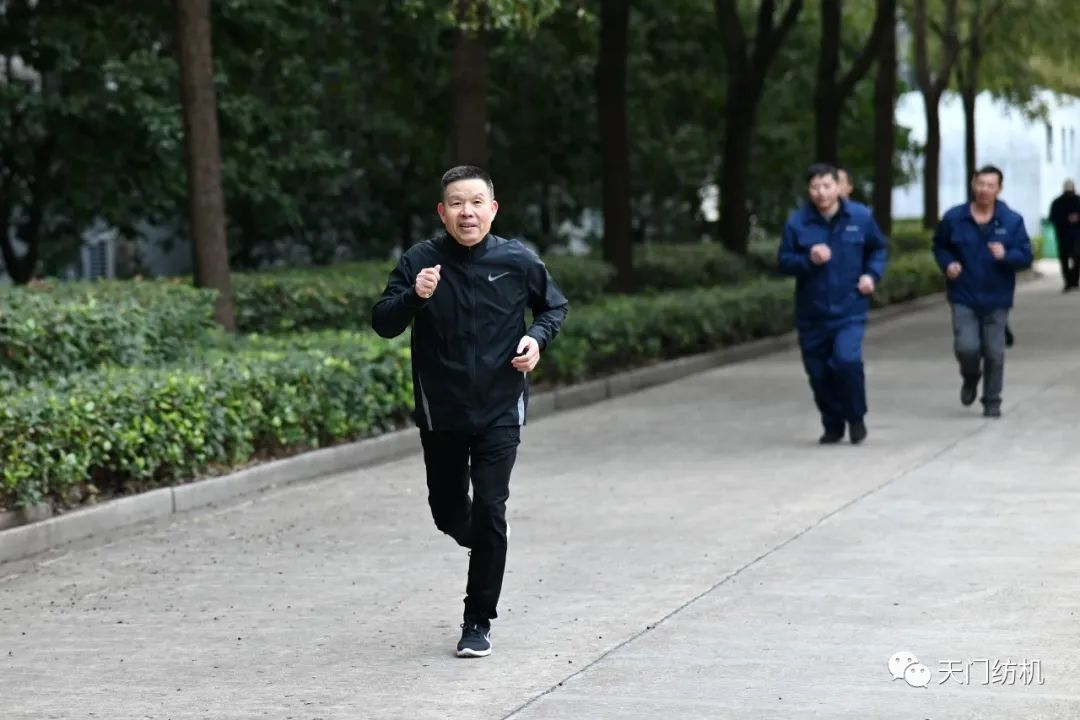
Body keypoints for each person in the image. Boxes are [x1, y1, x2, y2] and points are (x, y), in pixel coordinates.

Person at [371, 165, 569, 658]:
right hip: (441, 410)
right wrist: (415, 296)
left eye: (477, 202)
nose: (467, 212)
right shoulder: (421, 261)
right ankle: (485, 539)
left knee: (491, 509)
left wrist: (536, 339)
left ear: (492, 209)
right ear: (442, 212)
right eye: (457, 203)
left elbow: (553, 308)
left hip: (501, 407)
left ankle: (477, 620)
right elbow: (383, 322)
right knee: (447, 513)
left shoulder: (517, 259)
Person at [778, 163, 888, 445]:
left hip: (850, 308)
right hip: (812, 312)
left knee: (846, 361)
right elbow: (784, 261)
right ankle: (833, 423)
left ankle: (856, 417)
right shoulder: (798, 222)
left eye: (827, 186)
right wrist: (808, 259)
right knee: (818, 373)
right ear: (808, 190)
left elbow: (878, 248)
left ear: (839, 187)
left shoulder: (860, 216)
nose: (821, 193)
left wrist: (871, 275)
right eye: (815, 187)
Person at [932, 165, 1033, 418]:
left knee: (994, 352)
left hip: (997, 297)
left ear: (999, 189)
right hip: (963, 294)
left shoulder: (1011, 220)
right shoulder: (954, 218)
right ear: (973, 185)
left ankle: (992, 401)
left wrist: (1006, 255)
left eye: (990, 185)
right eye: (980, 184)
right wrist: (948, 264)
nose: (984, 190)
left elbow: (1026, 256)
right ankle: (970, 375)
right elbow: (940, 246)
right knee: (967, 347)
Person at [1048, 179, 1080, 292]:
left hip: (1077, 236)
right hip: (1063, 236)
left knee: (1077, 258)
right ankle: (1068, 282)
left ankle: (1074, 280)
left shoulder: (1078, 201)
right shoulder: (1057, 203)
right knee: (1064, 260)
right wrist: (1067, 219)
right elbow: (1053, 218)